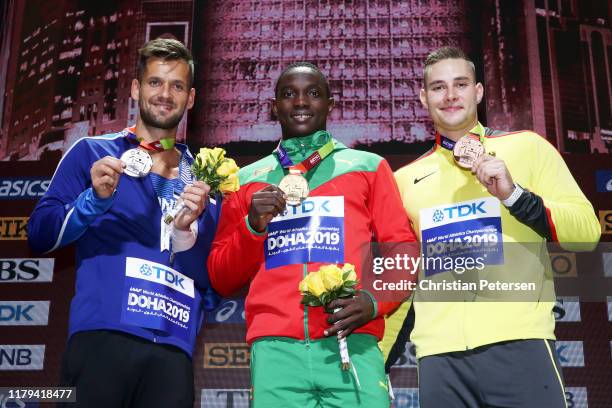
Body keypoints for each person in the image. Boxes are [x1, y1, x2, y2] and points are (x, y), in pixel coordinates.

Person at [391, 46, 601, 407]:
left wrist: (515, 196)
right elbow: (401, 279)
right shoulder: (403, 180)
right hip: (439, 358)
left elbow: (586, 233)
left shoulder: (528, 148)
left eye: (461, 83)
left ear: (479, 91)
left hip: (521, 344)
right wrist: (376, 360)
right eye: (439, 87)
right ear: (424, 97)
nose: (451, 95)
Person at [207, 62, 417, 407]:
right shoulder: (246, 180)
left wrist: (375, 300)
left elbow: (404, 250)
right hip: (276, 351)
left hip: (351, 339)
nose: (301, 102)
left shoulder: (368, 167)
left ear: (330, 105)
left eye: (313, 93)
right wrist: (252, 227)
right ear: (274, 107)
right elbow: (220, 275)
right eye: (289, 94)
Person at [28, 38, 219, 408]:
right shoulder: (93, 152)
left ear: (190, 98)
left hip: (173, 354)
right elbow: (38, 234)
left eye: (177, 85)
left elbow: (213, 278)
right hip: (102, 340)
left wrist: (187, 234)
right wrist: (92, 202)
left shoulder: (207, 180)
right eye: (155, 82)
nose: (165, 94)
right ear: (135, 88)